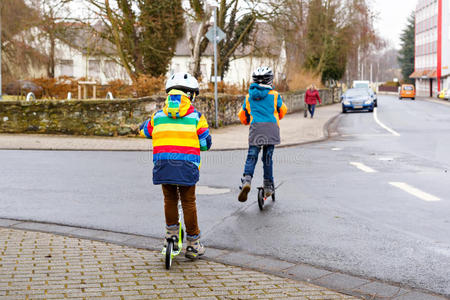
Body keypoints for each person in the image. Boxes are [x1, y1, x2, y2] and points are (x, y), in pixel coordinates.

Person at [139, 72, 212, 259]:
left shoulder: (158, 116)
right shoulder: (196, 117)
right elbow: (205, 143)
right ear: (191, 95)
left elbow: (144, 131)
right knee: (188, 202)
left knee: (169, 200)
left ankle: (171, 237)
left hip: (164, 165)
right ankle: (193, 244)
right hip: (187, 166)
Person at [237, 66, 287, 202]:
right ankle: (268, 186)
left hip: (256, 130)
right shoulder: (275, 95)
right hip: (271, 129)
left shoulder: (248, 97)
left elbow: (243, 116)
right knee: (267, 159)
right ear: (270, 80)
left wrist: (248, 120)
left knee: (251, 156)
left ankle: (247, 180)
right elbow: (282, 111)